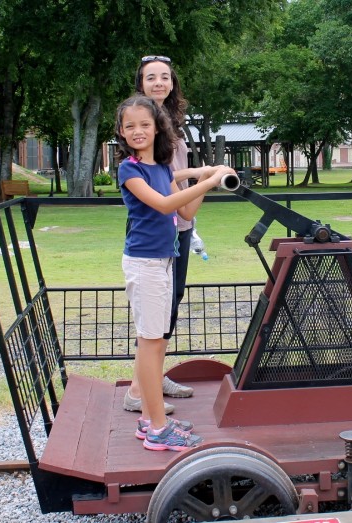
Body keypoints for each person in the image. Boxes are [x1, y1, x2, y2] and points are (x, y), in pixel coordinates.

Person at [114, 95, 232, 451]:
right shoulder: (129, 170)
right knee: (150, 345)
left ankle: (151, 419)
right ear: (121, 132)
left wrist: (206, 178)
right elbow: (165, 204)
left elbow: (186, 211)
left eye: (144, 125)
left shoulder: (163, 168)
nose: (137, 131)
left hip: (163, 261)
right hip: (145, 264)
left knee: (155, 344)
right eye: (130, 126)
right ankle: (158, 428)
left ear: (157, 128)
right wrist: (207, 179)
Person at [123, 55, 222, 414]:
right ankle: (140, 388)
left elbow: (173, 176)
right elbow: (161, 190)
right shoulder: (145, 128)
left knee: (169, 305)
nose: (159, 83)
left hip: (177, 226)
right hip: (158, 231)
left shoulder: (171, 125)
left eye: (165, 77)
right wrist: (205, 180)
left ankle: (152, 377)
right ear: (141, 85)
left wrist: (201, 174)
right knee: (155, 315)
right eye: (151, 78)